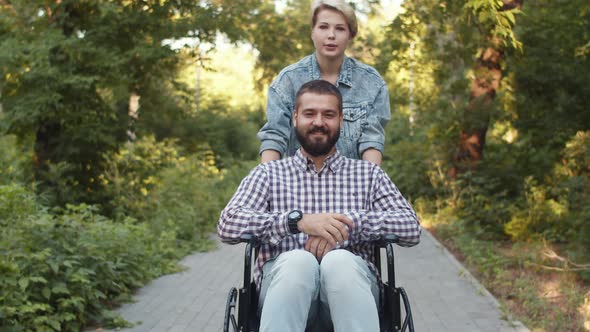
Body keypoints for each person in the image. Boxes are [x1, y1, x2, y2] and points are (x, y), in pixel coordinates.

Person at [218, 80, 421, 332]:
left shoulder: (368, 174)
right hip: (282, 291)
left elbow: (411, 227)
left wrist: (346, 224)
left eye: (328, 114)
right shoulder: (269, 174)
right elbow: (228, 223)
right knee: (297, 262)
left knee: (339, 261)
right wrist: (296, 222)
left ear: (341, 120)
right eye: (309, 113)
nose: (318, 122)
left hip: (352, 290)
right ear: (294, 118)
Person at [257, 0, 391, 165]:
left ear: (351, 34)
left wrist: (370, 184)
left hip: (351, 187)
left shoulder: (372, 83)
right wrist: (267, 182)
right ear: (312, 32)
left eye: (340, 28)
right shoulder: (288, 81)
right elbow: (274, 137)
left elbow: (372, 141)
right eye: (323, 27)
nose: (331, 35)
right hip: (297, 186)